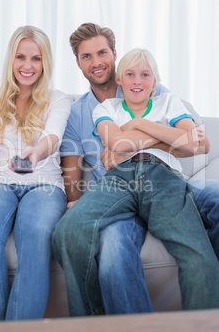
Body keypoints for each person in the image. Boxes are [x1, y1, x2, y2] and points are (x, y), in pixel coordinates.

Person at [52, 22, 219, 316]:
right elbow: (111, 147)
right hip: (118, 186)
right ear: (77, 63)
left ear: (114, 55)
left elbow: (198, 143)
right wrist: (163, 137)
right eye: (86, 56)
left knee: (198, 254)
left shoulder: (160, 95)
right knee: (68, 232)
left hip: (163, 178)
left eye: (102, 52)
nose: (96, 62)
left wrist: (139, 132)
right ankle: (96, 329)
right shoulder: (93, 110)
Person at [0, 25, 71, 321]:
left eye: (36, 59)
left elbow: (53, 136)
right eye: (20, 57)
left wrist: (36, 153)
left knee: (37, 235)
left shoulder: (58, 98)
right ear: (10, 59)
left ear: (45, 62)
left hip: (45, 185)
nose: (27, 66)